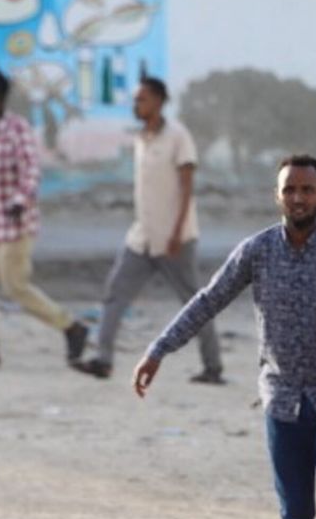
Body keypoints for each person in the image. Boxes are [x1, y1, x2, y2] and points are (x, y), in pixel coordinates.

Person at [133, 156, 316, 519]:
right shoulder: (257, 251)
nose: (299, 198)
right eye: (290, 189)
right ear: (277, 196)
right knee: (295, 513)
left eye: (307, 189)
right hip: (280, 402)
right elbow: (208, 300)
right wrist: (159, 349)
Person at [75, 77, 222, 384]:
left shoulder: (178, 136)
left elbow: (186, 189)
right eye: (135, 99)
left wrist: (177, 233)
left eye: (141, 99)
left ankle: (213, 366)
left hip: (175, 239)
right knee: (115, 292)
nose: (136, 105)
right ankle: (103, 360)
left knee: (194, 303)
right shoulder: (142, 138)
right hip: (142, 235)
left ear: (157, 101)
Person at [0, 69, 89, 369]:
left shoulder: (18, 129)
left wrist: (18, 202)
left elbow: (31, 171)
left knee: (15, 287)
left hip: (15, 225)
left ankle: (70, 326)